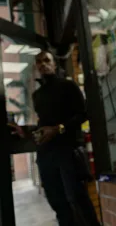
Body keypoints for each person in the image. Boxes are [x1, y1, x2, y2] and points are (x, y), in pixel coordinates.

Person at [11, 50, 100, 226]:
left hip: (68, 151)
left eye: (46, 60)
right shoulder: (37, 95)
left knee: (77, 198)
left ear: (54, 64)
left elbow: (83, 115)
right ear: (36, 67)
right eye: (39, 62)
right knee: (57, 202)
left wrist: (58, 129)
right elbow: (44, 124)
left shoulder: (68, 86)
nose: (43, 64)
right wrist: (26, 132)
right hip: (46, 155)